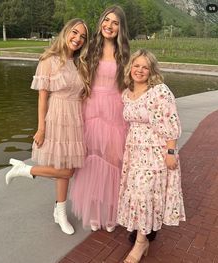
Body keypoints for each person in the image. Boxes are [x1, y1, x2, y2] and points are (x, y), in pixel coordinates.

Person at [5, 18, 90, 235]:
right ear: (66, 32)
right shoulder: (49, 60)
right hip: (56, 116)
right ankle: (25, 170)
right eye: (74, 33)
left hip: (75, 119)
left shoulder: (81, 63)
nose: (78, 39)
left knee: (67, 168)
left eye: (82, 36)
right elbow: (42, 98)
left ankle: (59, 211)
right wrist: (41, 128)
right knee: (67, 170)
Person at [117, 49, 186, 263]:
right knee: (139, 195)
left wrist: (171, 152)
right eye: (136, 65)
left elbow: (171, 123)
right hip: (134, 152)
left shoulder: (159, 92)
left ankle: (140, 243)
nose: (140, 70)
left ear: (151, 70)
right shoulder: (126, 93)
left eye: (145, 67)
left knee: (145, 194)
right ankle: (144, 235)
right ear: (131, 68)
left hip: (155, 152)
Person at [69, 5, 130, 232]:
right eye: (107, 20)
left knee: (114, 164)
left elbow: (131, 85)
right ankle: (94, 212)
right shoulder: (89, 48)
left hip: (115, 113)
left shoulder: (124, 54)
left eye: (115, 23)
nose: (110, 26)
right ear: (101, 22)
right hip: (92, 111)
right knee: (91, 162)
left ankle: (111, 212)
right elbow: (68, 60)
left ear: (121, 28)